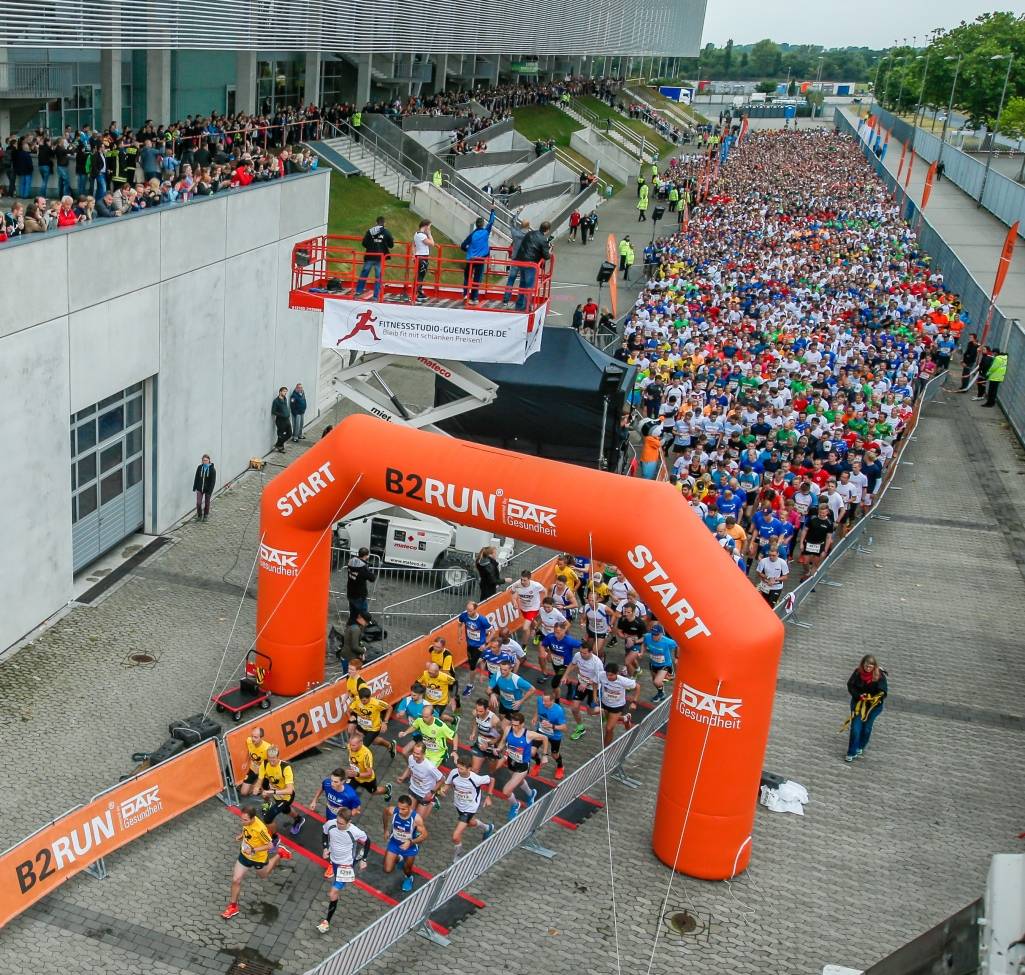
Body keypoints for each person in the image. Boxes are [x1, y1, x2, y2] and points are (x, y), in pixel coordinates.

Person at [221, 802, 291, 920]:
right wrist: (241, 836)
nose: (242, 822)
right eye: (241, 819)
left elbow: (269, 845)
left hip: (258, 858)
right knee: (236, 879)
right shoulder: (247, 822)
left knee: (263, 875)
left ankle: (279, 854)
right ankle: (233, 906)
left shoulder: (261, 829)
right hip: (244, 855)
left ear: (253, 818)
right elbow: (247, 830)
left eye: (245, 820)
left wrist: (253, 850)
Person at [317, 807, 368, 932]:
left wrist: (364, 860)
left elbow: (368, 842)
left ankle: (326, 922)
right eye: (337, 822)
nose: (339, 825)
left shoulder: (355, 831)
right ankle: (337, 889)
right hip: (334, 861)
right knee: (335, 892)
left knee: (333, 892)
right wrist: (325, 848)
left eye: (342, 824)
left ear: (349, 822)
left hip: (346, 865)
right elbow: (324, 834)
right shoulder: (330, 824)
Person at [437, 754, 495, 861]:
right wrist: (443, 790)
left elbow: (491, 780)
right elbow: (447, 784)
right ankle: (487, 827)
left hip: (470, 808)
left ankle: (458, 857)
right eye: (458, 767)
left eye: (461, 768)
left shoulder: (476, 779)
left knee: (455, 836)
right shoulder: (454, 773)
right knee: (470, 823)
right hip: (459, 805)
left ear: (469, 768)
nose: (458, 770)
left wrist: (489, 797)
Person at [310, 769, 363, 878]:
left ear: (343, 781)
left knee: (337, 841)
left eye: (336, 782)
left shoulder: (350, 795)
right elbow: (322, 787)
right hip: (330, 818)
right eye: (332, 780)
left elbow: (357, 809)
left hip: (342, 823)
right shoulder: (327, 783)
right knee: (330, 836)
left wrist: (346, 815)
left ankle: (333, 864)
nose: (332, 783)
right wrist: (314, 800)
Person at [497, 710, 547, 819]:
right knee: (519, 782)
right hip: (511, 762)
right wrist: (499, 748)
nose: (514, 727)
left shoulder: (528, 735)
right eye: (512, 725)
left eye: (516, 725)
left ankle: (515, 805)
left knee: (506, 791)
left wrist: (545, 755)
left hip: (523, 766)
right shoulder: (507, 729)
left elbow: (545, 738)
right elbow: (503, 742)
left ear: (522, 724)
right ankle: (531, 793)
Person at [255, 746, 305, 843]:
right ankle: (299, 819)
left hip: (286, 797)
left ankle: (275, 838)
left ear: (278, 757)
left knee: (268, 818)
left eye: (274, 758)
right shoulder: (265, 764)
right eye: (269, 757)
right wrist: (257, 787)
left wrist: (271, 791)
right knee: (286, 810)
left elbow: (289, 790)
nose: (271, 760)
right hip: (277, 795)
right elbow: (260, 779)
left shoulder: (286, 768)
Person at [844, 655, 888, 762]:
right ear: (863, 664)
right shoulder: (857, 673)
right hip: (858, 704)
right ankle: (851, 752)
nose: (868, 668)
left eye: (870, 667)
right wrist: (859, 695)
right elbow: (850, 686)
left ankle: (861, 745)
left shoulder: (880, 676)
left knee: (867, 727)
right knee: (855, 728)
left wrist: (875, 698)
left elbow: (883, 691)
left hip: (873, 707)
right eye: (866, 666)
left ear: (874, 667)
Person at [381, 794, 428, 892]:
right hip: (394, 842)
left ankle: (409, 878)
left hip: (409, 847)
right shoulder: (392, 810)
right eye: (399, 808)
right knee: (387, 869)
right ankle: (399, 857)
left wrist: (411, 842)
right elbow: (385, 813)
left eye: (404, 809)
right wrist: (385, 830)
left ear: (410, 808)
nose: (400, 811)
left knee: (407, 869)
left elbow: (424, 836)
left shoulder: (416, 819)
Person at [398, 703, 457, 768]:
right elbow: (414, 726)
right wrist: (405, 733)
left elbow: (454, 735)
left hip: (437, 754)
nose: (424, 719)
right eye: (423, 716)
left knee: (429, 771)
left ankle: (443, 758)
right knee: (419, 767)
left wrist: (454, 751)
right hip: (426, 750)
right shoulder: (420, 719)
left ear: (432, 715)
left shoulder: (440, 726)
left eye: (426, 717)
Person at [397, 741, 444, 819]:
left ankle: (432, 802)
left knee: (419, 821)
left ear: (423, 754)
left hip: (424, 795)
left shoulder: (429, 767)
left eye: (418, 754)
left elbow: (442, 779)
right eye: (414, 752)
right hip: (413, 790)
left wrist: (431, 792)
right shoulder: (411, 758)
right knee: (408, 817)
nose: (415, 755)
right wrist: (403, 777)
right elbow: (410, 767)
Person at [349, 686, 396, 759]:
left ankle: (362, 764)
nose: (363, 702)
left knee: (362, 747)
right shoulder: (357, 699)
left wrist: (385, 722)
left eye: (365, 700)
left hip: (373, 729)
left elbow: (390, 707)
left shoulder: (376, 703)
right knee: (375, 741)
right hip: (361, 726)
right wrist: (351, 716)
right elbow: (349, 709)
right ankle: (390, 745)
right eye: (362, 700)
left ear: (370, 697)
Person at [598, 662, 638, 746]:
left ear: (617, 673)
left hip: (617, 706)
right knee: (608, 720)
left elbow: (638, 687)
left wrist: (634, 702)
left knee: (609, 729)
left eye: (611, 675)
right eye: (607, 675)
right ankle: (625, 718)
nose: (608, 677)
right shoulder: (601, 675)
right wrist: (595, 695)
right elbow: (594, 682)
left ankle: (605, 750)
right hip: (605, 703)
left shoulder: (623, 681)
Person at [354, 216, 394, 301]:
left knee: (364, 274)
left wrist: (371, 246)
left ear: (376, 223)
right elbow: (391, 245)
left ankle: (358, 291)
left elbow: (364, 243)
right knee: (378, 277)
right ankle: (376, 295)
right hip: (380, 257)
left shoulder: (369, 231)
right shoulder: (386, 232)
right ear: (384, 223)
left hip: (370, 255)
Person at [346, 730, 393, 801]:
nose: (351, 747)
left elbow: (369, 773)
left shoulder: (366, 755)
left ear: (361, 743)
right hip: (354, 776)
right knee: (346, 791)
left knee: (374, 792)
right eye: (350, 744)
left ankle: (387, 789)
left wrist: (356, 773)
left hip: (367, 779)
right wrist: (351, 768)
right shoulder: (349, 747)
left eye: (353, 745)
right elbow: (352, 758)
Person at [461, 208, 496, 302]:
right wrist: (492, 210)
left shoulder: (472, 234)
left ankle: (465, 294)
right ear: (483, 224)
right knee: (477, 278)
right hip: (480, 259)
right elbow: (492, 221)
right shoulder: (486, 232)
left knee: (467, 277)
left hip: (471, 259)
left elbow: (463, 245)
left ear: (476, 225)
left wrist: (468, 249)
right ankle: (474, 297)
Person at [533, 690, 568, 779]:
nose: (543, 703)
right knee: (531, 752)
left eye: (546, 701)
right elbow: (538, 708)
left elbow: (564, 728)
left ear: (552, 701)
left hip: (554, 736)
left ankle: (560, 767)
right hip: (541, 731)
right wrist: (535, 716)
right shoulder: (540, 700)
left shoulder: (559, 711)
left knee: (554, 755)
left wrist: (552, 726)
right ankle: (537, 763)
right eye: (543, 700)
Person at [643, 623, 677, 702]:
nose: (654, 636)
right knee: (655, 681)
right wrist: (642, 652)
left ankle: (670, 676)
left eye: (656, 635)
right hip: (653, 663)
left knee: (657, 681)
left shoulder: (668, 641)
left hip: (665, 664)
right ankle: (661, 693)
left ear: (661, 634)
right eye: (653, 634)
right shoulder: (648, 636)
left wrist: (677, 657)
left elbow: (678, 645)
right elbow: (644, 643)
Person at [458, 600, 492, 680]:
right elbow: (459, 624)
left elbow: (492, 632)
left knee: (480, 661)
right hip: (470, 644)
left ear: (475, 610)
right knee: (473, 663)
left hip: (480, 645)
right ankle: (476, 674)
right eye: (467, 610)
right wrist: (459, 636)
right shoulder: (464, 616)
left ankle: (479, 675)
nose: (468, 612)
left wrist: (485, 643)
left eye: (470, 611)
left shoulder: (482, 620)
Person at [346, 546, 376, 624]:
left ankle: (350, 630)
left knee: (353, 615)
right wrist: (368, 568)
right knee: (363, 616)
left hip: (350, 593)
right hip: (359, 595)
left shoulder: (351, 562)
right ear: (366, 556)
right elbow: (372, 578)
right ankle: (359, 632)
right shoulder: (363, 568)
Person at [239, 726, 271, 798]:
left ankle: (267, 802)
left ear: (261, 738)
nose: (253, 739)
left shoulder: (267, 748)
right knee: (243, 793)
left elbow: (271, 764)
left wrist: (261, 779)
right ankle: (255, 784)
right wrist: (246, 762)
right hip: (253, 769)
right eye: (252, 736)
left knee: (265, 794)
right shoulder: (249, 741)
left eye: (256, 737)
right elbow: (249, 751)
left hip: (264, 773)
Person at [756, 542, 789, 606]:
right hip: (765, 586)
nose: (771, 557)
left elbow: (785, 577)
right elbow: (758, 573)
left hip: (777, 587)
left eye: (773, 555)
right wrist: (768, 578)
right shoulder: (763, 561)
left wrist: (775, 579)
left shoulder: (782, 563)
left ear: (778, 554)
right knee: (764, 604)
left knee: (771, 605)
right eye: (770, 555)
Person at [413, 219, 435, 302]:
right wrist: (429, 234)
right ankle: (418, 292)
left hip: (419, 256)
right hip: (422, 257)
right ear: (425, 226)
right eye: (429, 227)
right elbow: (432, 243)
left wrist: (413, 255)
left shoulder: (416, 234)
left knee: (419, 275)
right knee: (421, 276)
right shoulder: (422, 236)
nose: (430, 229)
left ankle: (418, 291)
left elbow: (414, 245)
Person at [192, 453, 216, 521]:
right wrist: (195, 487)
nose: (205, 461)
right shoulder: (200, 467)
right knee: (198, 503)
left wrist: (210, 491)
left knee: (207, 503)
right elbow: (196, 478)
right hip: (199, 488)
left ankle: (205, 515)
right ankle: (199, 515)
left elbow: (213, 482)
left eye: (206, 460)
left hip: (208, 489)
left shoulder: (212, 470)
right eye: (203, 460)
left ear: (209, 460)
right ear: (202, 461)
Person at [271, 386, 291, 452]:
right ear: (280, 392)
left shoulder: (285, 399)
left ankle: (277, 444)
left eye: (286, 392)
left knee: (289, 434)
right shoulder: (276, 401)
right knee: (281, 435)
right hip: (280, 421)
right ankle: (281, 448)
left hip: (287, 420)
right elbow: (273, 411)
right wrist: (282, 415)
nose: (285, 393)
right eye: (284, 391)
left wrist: (287, 414)